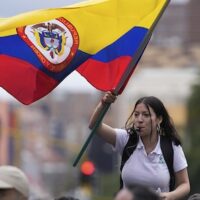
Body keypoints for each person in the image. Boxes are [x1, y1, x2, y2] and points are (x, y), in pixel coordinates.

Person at [89, 91, 190, 200]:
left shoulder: (171, 146)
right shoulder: (125, 139)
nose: (139, 120)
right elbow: (94, 125)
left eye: (146, 115)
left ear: (159, 119)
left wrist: (170, 196)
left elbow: (185, 184)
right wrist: (104, 103)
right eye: (136, 115)